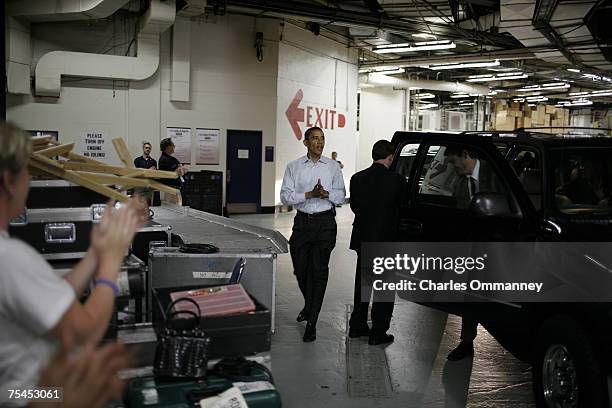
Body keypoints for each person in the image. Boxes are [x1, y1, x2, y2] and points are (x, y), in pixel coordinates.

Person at [0, 122, 144, 406]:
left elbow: (52, 298)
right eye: (27, 171)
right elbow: (83, 332)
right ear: (8, 181)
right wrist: (111, 263)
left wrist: (96, 252)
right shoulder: (9, 257)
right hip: (26, 397)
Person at [280, 126, 346, 342]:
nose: (320, 142)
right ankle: (309, 306)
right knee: (300, 270)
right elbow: (286, 197)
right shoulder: (294, 167)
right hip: (302, 224)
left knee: (319, 272)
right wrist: (309, 194)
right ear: (306, 142)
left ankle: (312, 322)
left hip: (325, 223)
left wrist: (326, 193)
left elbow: (341, 196)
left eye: (322, 138)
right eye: (315, 139)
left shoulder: (333, 167)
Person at [443, 145, 499, 360]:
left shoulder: (494, 175)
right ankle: (467, 342)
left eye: (454, 162)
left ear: (466, 155)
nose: (453, 167)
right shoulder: (460, 184)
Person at [348, 140, 403, 346]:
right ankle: (378, 332)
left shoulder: (357, 178)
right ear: (390, 157)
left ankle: (357, 326)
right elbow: (401, 208)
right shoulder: (397, 180)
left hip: (363, 238)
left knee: (363, 285)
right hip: (386, 240)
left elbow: (355, 207)